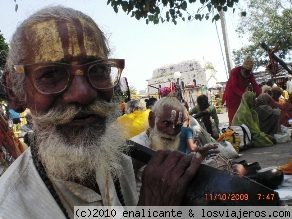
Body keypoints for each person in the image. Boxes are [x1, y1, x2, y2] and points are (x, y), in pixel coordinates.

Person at [0, 6, 206, 218]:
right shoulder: (10, 208)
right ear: (14, 91)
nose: (83, 93)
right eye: (51, 73)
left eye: (98, 69)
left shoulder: (119, 162)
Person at [222, 56, 261, 124]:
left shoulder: (250, 74)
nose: (247, 73)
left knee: (242, 118)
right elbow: (233, 87)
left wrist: (260, 96)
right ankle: (233, 132)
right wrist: (243, 95)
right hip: (231, 97)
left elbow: (255, 85)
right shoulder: (234, 71)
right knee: (233, 119)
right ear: (243, 68)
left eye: (249, 71)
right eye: (246, 71)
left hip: (241, 98)